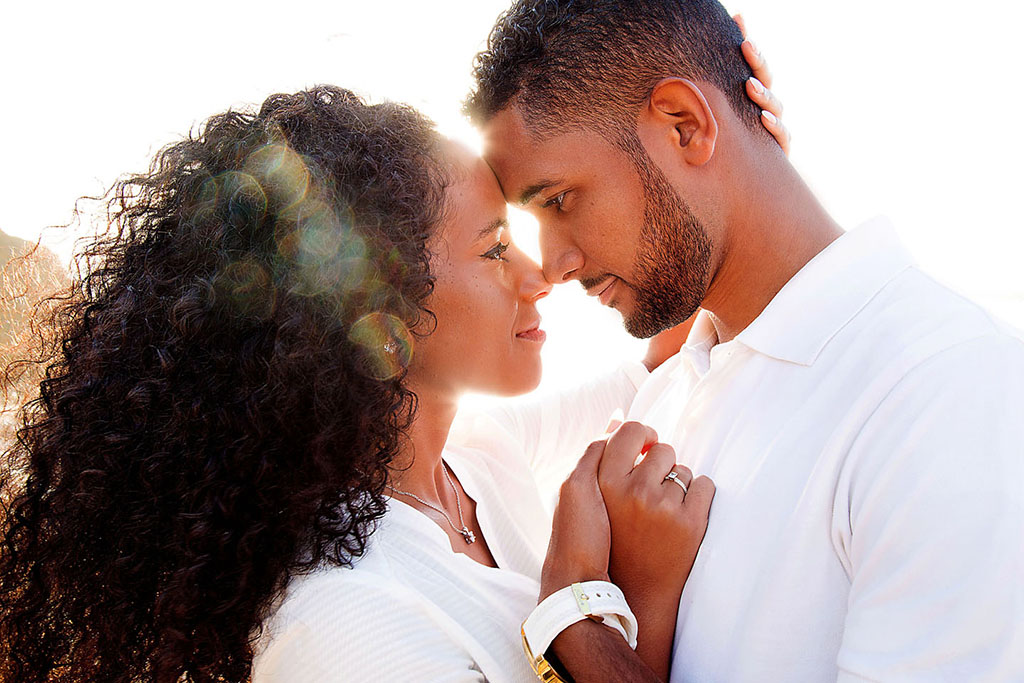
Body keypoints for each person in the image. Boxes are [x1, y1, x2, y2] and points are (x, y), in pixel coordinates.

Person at [0, 49, 786, 681]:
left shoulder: (474, 463)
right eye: (494, 248)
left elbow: (656, 359)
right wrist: (608, 604)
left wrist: (726, 181)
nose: (540, 273)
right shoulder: (342, 625)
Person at [467, 0, 1024, 681]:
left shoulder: (946, 394)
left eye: (558, 200)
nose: (551, 264)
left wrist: (575, 616)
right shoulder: (672, 393)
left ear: (684, 125)